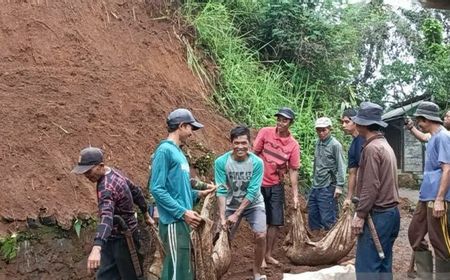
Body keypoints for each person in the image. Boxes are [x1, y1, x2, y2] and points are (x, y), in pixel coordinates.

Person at [149, 108, 215, 280]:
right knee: (177, 272)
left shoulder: (179, 154)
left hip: (183, 221)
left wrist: (199, 194)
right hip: (174, 221)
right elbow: (157, 188)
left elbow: (179, 190)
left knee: (183, 270)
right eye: (191, 128)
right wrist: (182, 212)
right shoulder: (164, 151)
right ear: (181, 126)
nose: (192, 133)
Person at [71, 147, 153, 279]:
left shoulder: (106, 188)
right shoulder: (113, 173)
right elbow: (136, 191)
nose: (86, 176)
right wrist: (146, 214)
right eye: (84, 172)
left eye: (88, 171)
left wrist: (97, 247)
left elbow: (107, 217)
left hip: (125, 240)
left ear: (100, 166)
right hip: (114, 238)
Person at [350, 102, 400, 279]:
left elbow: (371, 187)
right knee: (383, 264)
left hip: (378, 216)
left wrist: (360, 215)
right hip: (391, 214)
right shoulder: (384, 144)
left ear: (363, 124)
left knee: (367, 267)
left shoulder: (371, 149)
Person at [216, 125, 267, 280]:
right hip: (230, 204)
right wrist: (223, 217)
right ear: (231, 143)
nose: (240, 147)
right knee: (222, 236)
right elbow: (221, 190)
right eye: (236, 143)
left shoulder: (257, 163)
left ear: (249, 144)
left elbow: (253, 191)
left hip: (253, 204)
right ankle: (221, 270)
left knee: (260, 235)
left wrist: (237, 214)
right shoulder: (221, 162)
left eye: (244, 143)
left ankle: (257, 271)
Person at [407, 102, 450, 279]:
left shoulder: (443, 137)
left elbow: (447, 168)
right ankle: (424, 276)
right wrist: (410, 128)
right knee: (415, 233)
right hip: (426, 196)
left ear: (426, 119)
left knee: (440, 242)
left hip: (438, 197)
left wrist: (440, 199)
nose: (418, 123)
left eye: (419, 121)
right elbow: (423, 137)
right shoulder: (433, 136)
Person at [253, 107, 300, 266]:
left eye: (284, 120)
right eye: (279, 119)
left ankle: (268, 255)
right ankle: (259, 256)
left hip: (276, 185)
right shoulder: (265, 132)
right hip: (259, 183)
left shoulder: (293, 145)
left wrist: (294, 195)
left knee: (275, 221)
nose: (280, 122)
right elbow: (254, 154)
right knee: (261, 220)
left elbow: (293, 170)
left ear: (290, 123)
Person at [308, 117, 345, 231]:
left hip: (328, 186)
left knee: (327, 218)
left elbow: (341, 166)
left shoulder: (335, 145)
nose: (321, 133)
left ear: (330, 129)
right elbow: (317, 165)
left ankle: (331, 243)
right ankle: (316, 241)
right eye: (318, 130)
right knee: (313, 216)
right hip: (316, 185)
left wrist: (339, 186)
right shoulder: (318, 143)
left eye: (324, 130)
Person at [341, 108, 365, 207]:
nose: (343, 125)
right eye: (342, 122)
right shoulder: (352, 147)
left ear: (355, 122)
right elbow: (352, 173)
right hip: (360, 193)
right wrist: (348, 198)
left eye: (347, 122)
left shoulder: (366, 141)